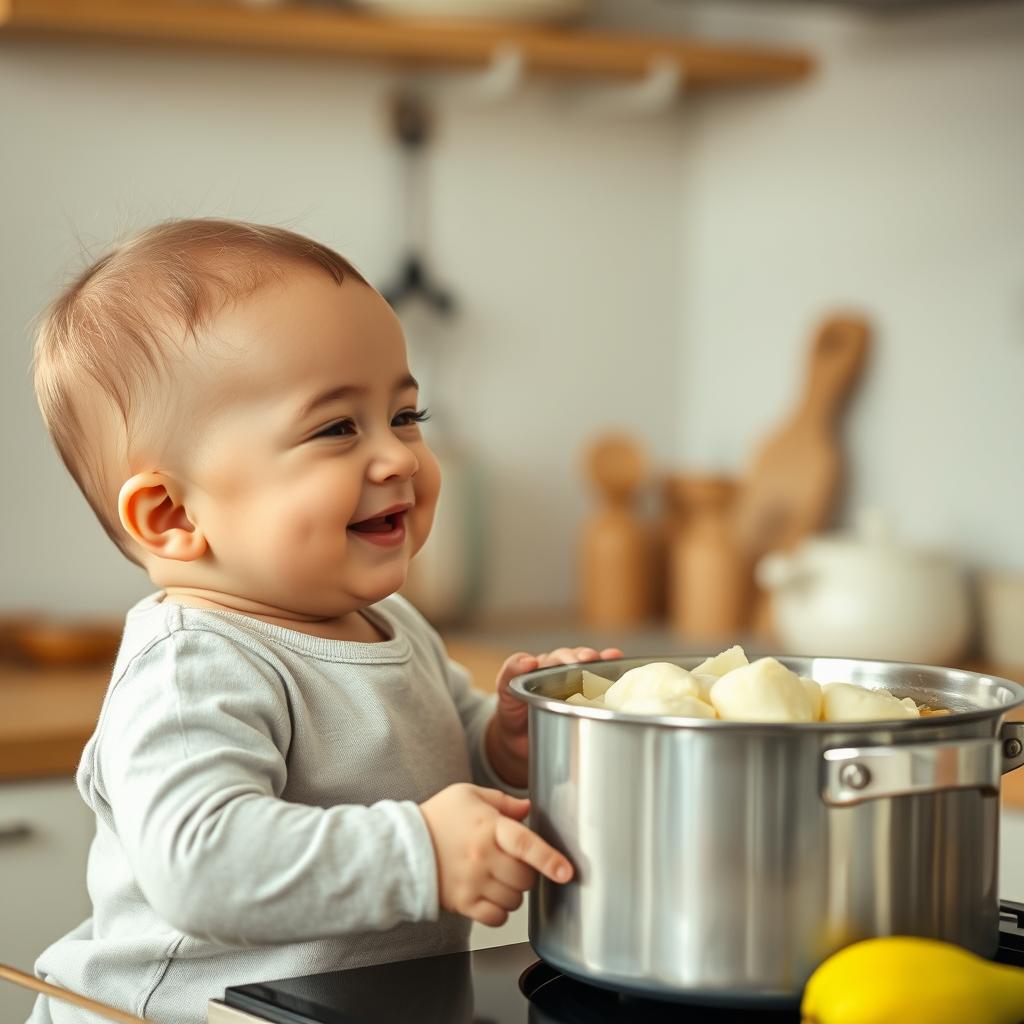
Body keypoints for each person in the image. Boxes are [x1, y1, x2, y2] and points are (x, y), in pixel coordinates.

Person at [27, 219, 622, 1023]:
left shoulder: (391, 623)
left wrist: (501, 745)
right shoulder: (191, 666)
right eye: (338, 427)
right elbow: (198, 864)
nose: (400, 456)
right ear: (173, 514)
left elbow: (436, 755)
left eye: (406, 415)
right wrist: (420, 852)